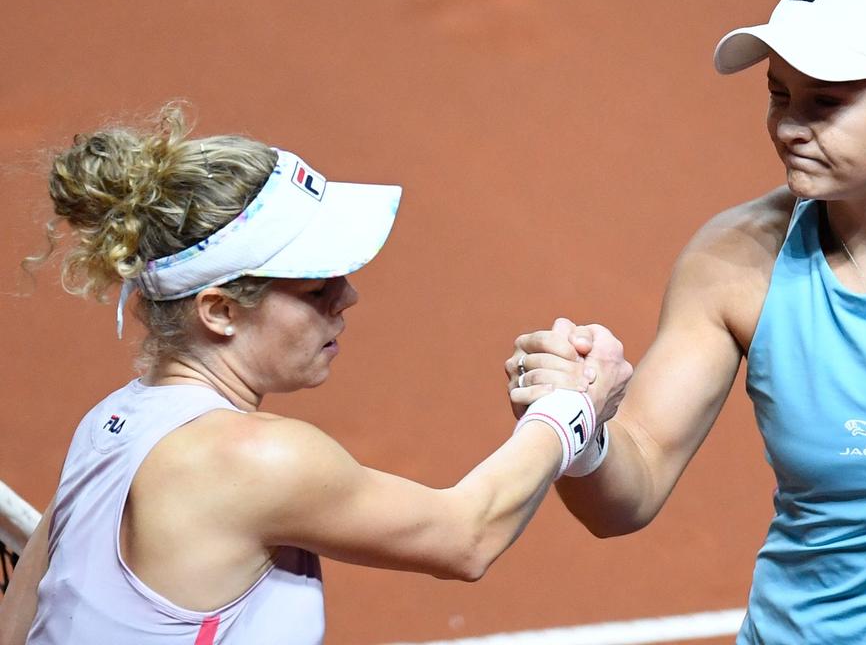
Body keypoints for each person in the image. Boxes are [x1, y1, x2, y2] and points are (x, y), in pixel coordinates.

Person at [509, 0, 866, 643]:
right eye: (779, 94)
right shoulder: (732, 260)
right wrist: (580, 424)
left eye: (827, 103)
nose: (789, 126)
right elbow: (630, 490)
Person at [0, 105, 633, 645]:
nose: (347, 298)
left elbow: (16, 623)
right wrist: (573, 406)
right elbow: (467, 536)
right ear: (219, 311)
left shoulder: (108, 426)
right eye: (316, 287)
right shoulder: (254, 458)